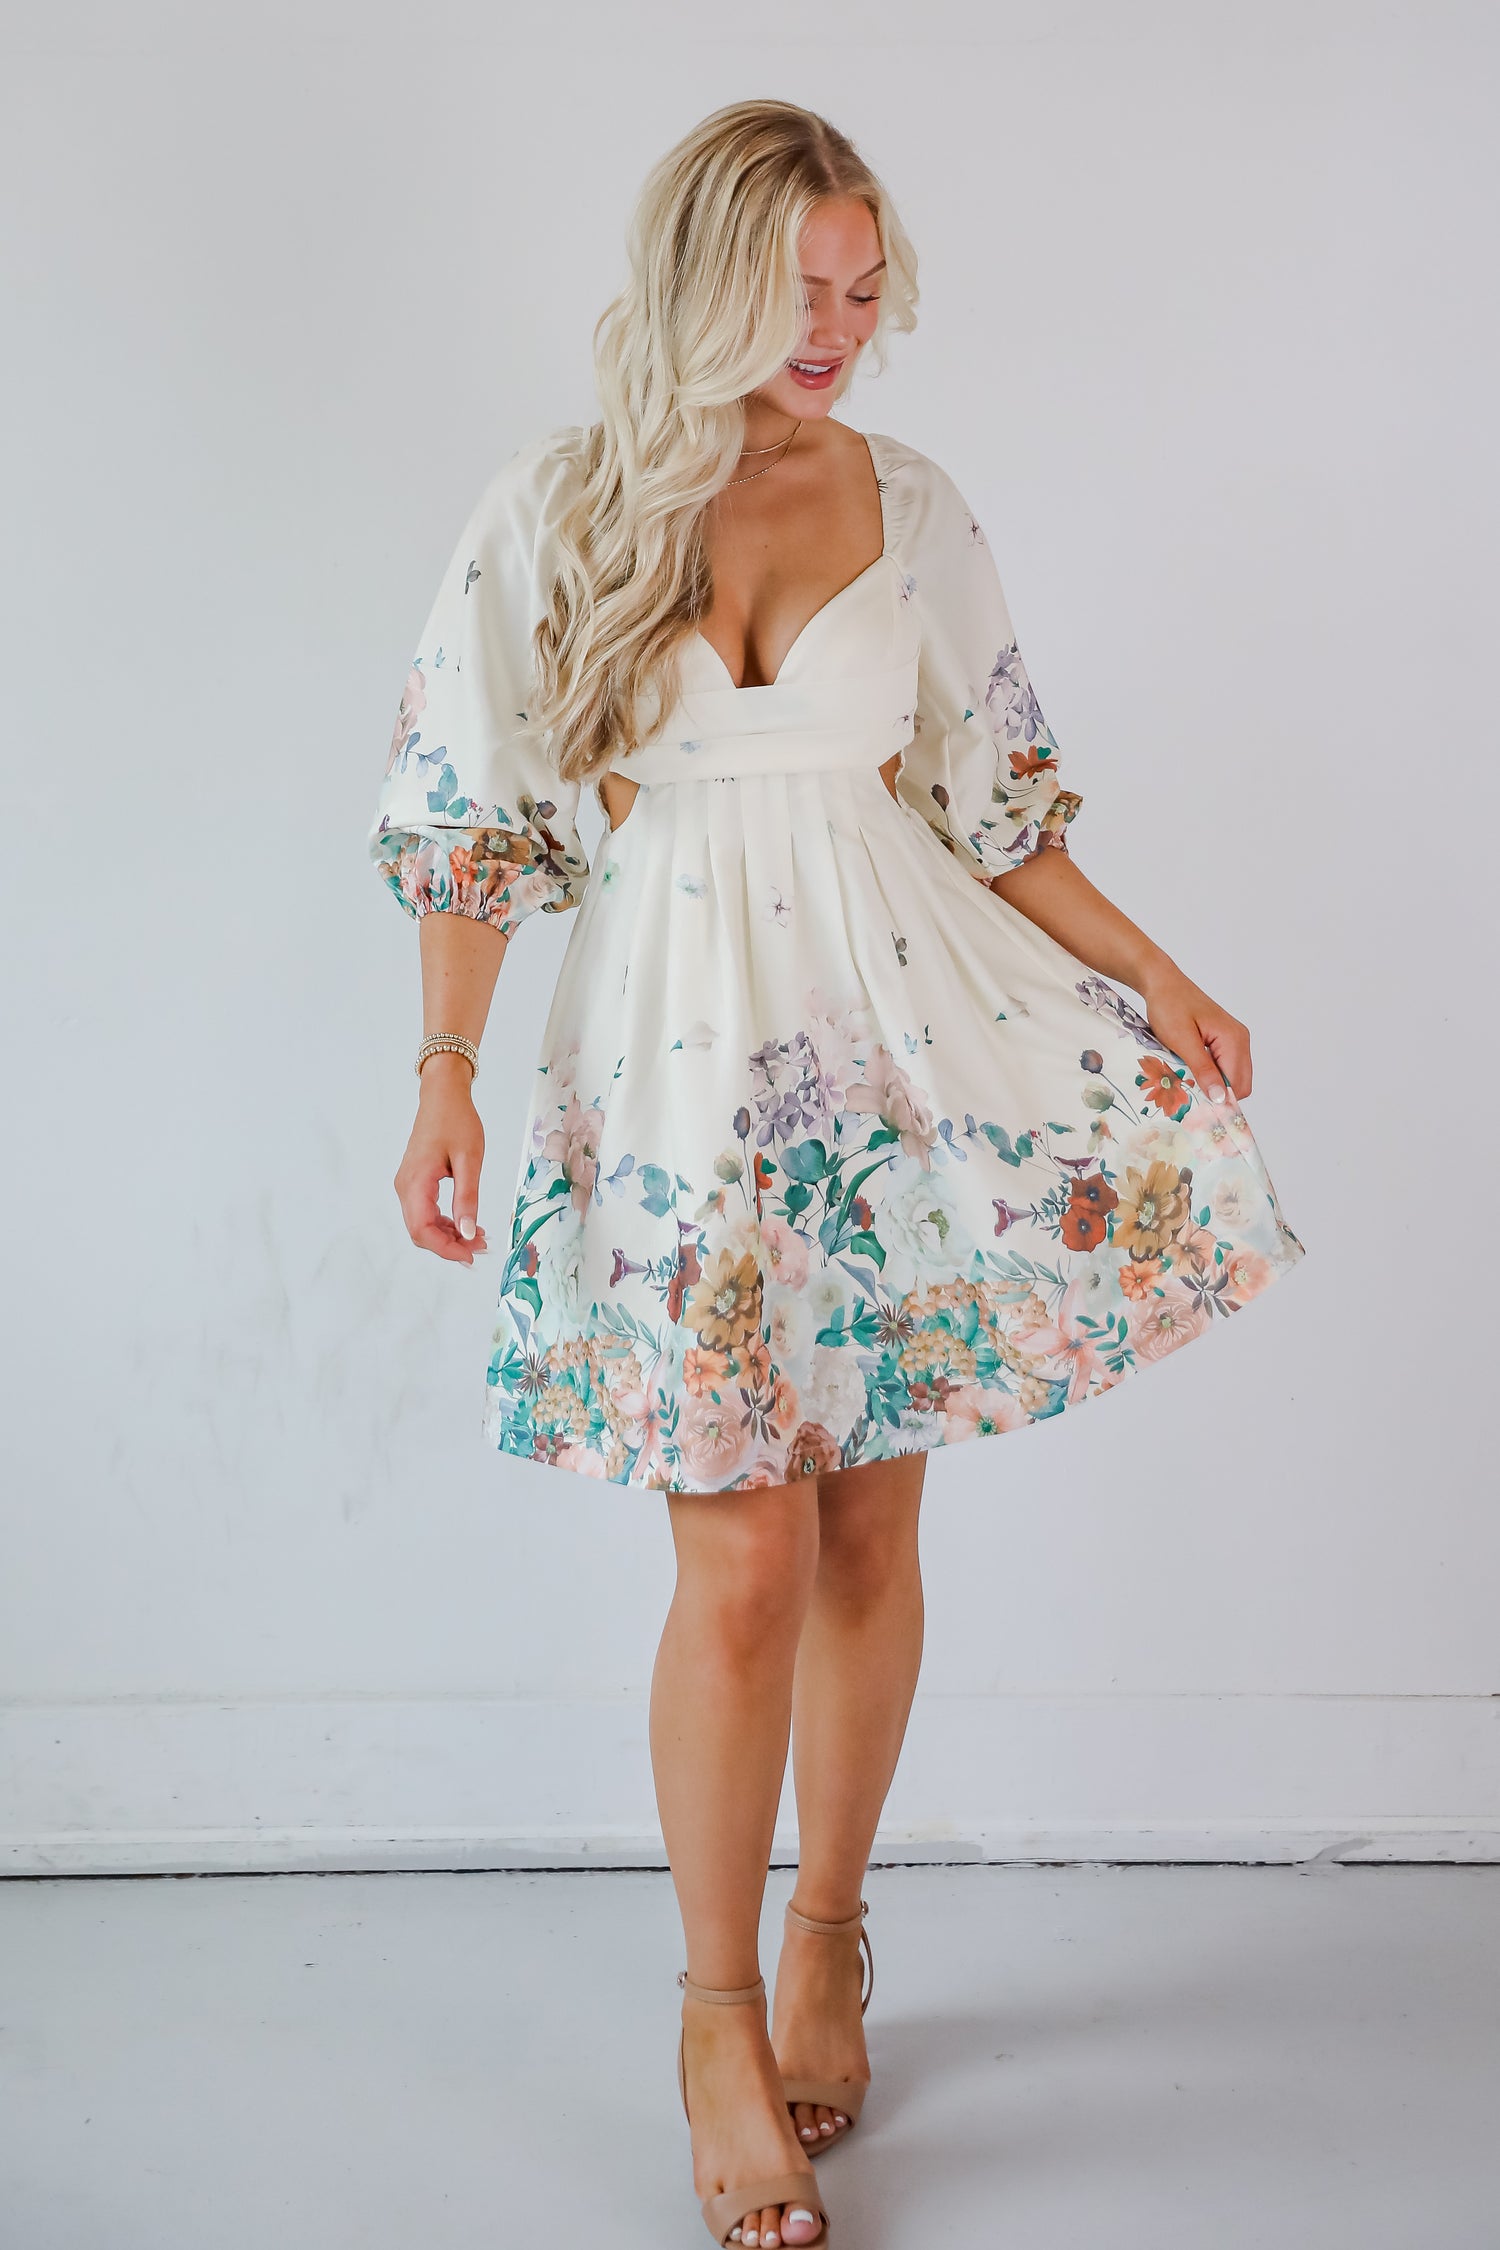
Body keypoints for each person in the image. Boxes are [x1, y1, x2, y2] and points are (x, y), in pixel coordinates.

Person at [368, 98, 1303, 2250]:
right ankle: (714, 2019)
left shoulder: (915, 502)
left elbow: (1001, 805)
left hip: (895, 1060)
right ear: (702, 275)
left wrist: (1159, 974)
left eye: (868, 291)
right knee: (740, 1564)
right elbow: (465, 815)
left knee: (870, 1529)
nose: (842, 328)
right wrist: (443, 1074)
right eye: (804, 288)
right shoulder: (558, 511)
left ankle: (826, 1938)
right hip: (676, 1084)